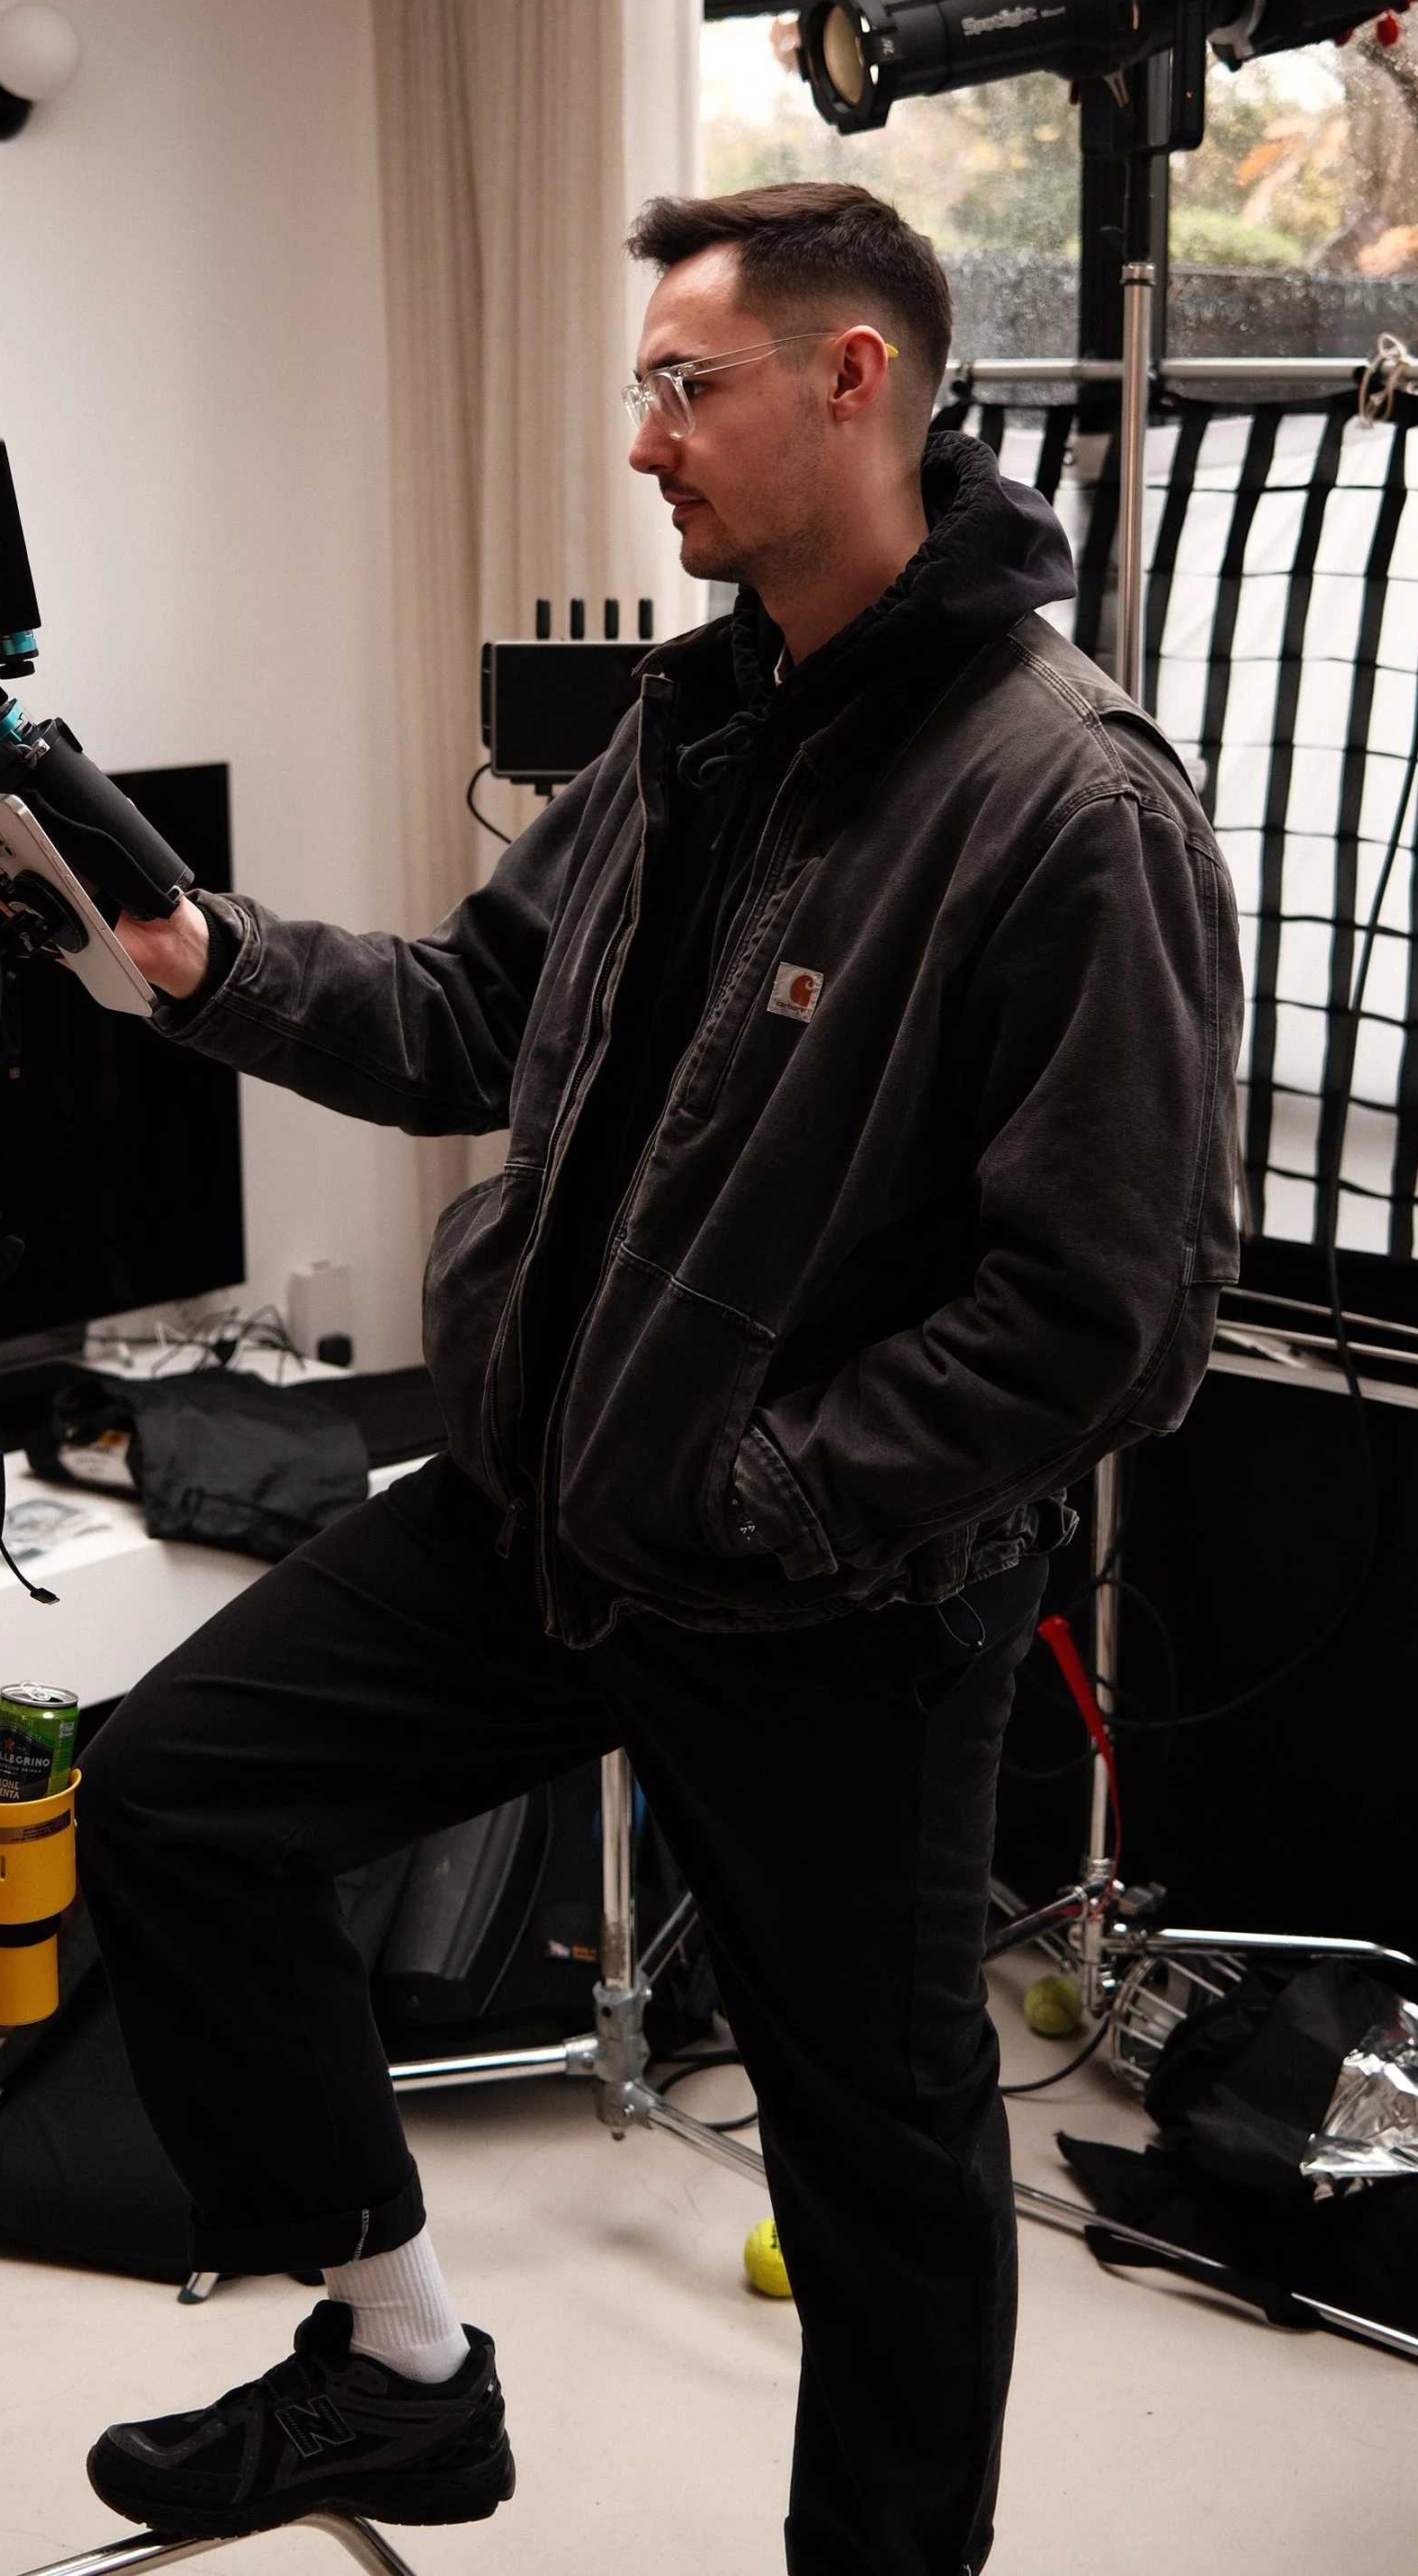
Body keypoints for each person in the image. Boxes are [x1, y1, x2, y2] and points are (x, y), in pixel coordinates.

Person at [74, 178, 1243, 2576]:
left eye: (681, 384)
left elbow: (1106, 1310)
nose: (642, 441)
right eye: (640, 386)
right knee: (179, 1792)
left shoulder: (1064, 798)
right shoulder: (690, 728)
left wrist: (770, 1495)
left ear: (851, 383)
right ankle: (398, 2371)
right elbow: (471, 1012)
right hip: (547, 1517)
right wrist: (202, 962)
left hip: (818, 1605)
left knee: (885, 2169)